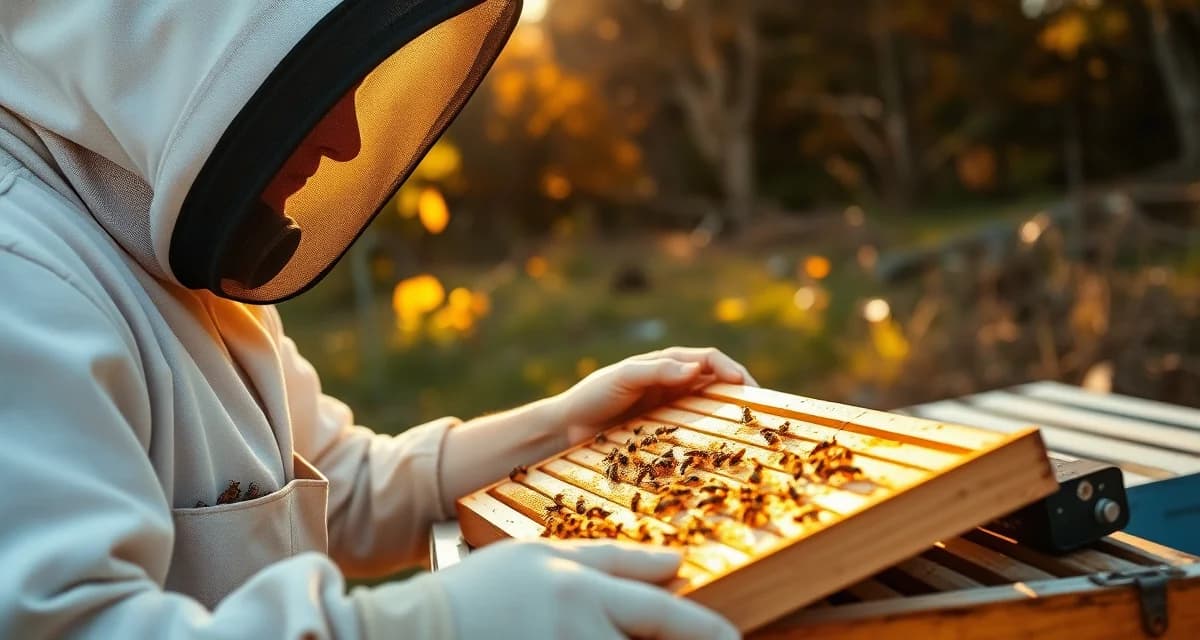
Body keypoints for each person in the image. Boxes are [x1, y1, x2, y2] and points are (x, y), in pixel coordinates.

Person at [0, 1, 749, 638]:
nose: (346, 141)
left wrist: (558, 434)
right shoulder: (22, 275)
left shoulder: (154, 236)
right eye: (315, 81)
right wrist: (425, 625)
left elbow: (341, 485)